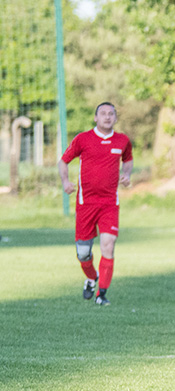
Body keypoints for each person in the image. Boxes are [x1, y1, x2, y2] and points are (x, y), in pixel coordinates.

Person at [58, 102, 133, 306]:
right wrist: (65, 181)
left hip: (109, 204)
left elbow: (128, 160)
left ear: (115, 118)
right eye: (103, 114)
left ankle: (102, 295)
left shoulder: (123, 140)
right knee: (83, 254)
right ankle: (92, 278)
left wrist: (126, 174)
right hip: (85, 204)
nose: (107, 117)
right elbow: (63, 161)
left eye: (111, 114)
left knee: (108, 245)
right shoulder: (83, 139)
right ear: (95, 118)